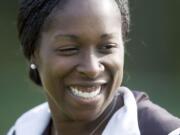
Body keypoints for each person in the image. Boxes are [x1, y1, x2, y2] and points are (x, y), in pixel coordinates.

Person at [7, 0, 180, 135]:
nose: (92, 68)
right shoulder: (23, 130)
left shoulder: (162, 131)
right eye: (69, 49)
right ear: (33, 53)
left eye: (107, 47)